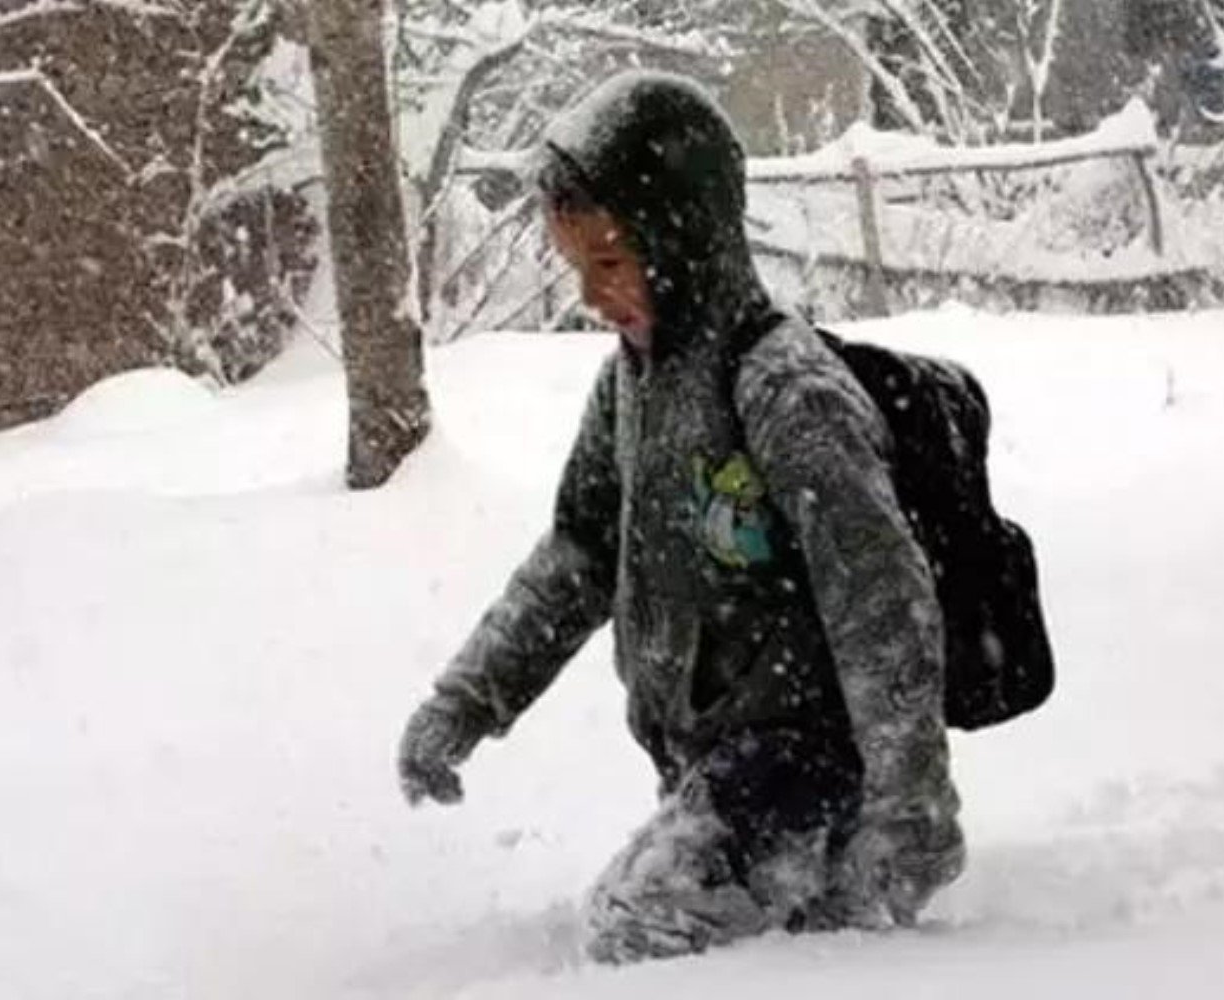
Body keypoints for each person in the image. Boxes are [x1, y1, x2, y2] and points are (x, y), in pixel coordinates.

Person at [396, 70, 963, 964]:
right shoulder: (632, 385)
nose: (591, 295)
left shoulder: (784, 388)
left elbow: (883, 608)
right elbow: (579, 555)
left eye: (610, 262)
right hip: (718, 764)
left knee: (641, 926)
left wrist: (909, 808)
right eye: (576, 267)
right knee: (676, 927)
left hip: (812, 763)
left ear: (683, 240)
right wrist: (469, 699)